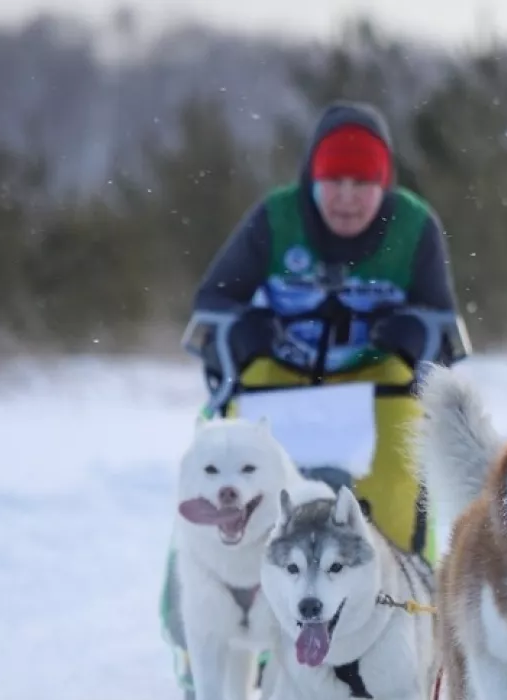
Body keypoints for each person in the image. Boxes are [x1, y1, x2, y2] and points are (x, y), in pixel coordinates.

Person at [189, 99, 471, 562]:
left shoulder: (415, 227)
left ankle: (403, 591)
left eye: (362, 183)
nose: (346, 197)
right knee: (241, 477)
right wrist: (245, 332)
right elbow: (213, 302)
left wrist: (412, 334)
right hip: (279, 375)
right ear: (312, 182)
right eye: (333, 182)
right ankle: (239, 589)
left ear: (384, 184)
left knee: (400, 471)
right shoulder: (276, 219)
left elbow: (443, 325)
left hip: (376, 383)